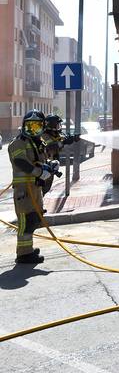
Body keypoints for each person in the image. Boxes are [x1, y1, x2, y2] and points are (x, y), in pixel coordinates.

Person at [8, 110, 57, 264]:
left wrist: (51, 165)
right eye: (30, 126)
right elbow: (20, 161)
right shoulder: (19, 143)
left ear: (42, 127)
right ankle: (23, 254)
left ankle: (28, 250)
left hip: (35, 188)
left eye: (37, 126)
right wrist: (39, 172)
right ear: (24, 126)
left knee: (35, 219)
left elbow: (39, 161)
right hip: (24, 190)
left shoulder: (37, 142)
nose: (33, 130)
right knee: (26, 221)